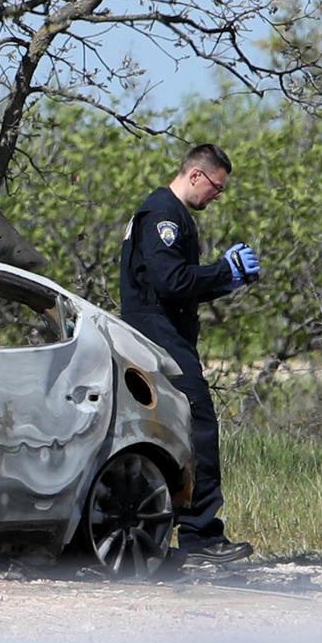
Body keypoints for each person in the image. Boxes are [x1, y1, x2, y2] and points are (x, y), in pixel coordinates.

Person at [119, 142, 259, 564]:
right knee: (198, 428)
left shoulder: (169, 213)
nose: (217, 196)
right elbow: (171, 282)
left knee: (168, 433)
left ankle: (157, 530)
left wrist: (229, 281)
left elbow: (177, 288)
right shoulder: (163, 215)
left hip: (163, 332)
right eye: (216, 186)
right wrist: (222, 269)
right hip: (161, 337)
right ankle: (201, 535)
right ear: (196, 175)